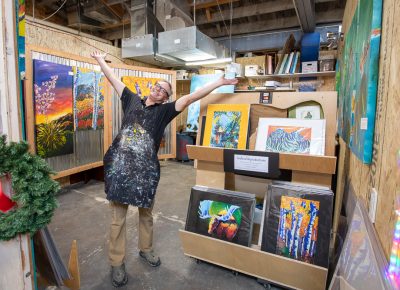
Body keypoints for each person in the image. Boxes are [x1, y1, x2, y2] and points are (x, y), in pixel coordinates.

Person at [91, 51, 238, 287]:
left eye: (164, 90)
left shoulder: (164, 111)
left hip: (145, 173)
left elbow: (190, 98)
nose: (158, 90)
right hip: (120, 169)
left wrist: (219, 82)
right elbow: (112, 78)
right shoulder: (130, 99)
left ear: (166, 97)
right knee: (117, 219)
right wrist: (100, 61)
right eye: (157, 86)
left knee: (145, 214)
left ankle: (145, 249)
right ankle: (117, 263)